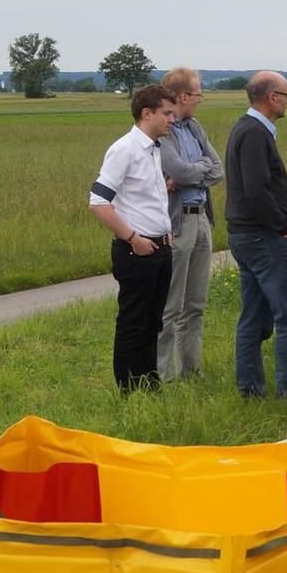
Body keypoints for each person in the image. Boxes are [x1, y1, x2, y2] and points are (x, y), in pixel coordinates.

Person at [88, 83, 178, 392]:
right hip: (135, 250)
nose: (172, 119)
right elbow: (98, 202)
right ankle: (129, 388)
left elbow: (143, 196)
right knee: (133, 321)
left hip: (159, 246)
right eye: (167, 113)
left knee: (154, 321)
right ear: (147, 113)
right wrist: (132, 237)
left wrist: (163, 228)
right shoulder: (125, 149)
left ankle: (149, 384)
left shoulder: (154, 149)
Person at [227, 71, 287, 399]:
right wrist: (282, 227)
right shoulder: (256, 133)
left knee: (254, 317)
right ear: (272, 97)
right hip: (264, 238)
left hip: (245, 237)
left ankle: (251, 390)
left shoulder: (245, 129)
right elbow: (257, 190)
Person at [154, 67, 223, 381]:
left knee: (196, 302)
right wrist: (198, 170)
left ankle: (191, 371)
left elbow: (218, 170)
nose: (200, 100)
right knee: (171, 305)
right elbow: (178, 171)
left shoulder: (195, 128)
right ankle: (164, 375)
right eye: (197, 94)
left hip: (202, 219)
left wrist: (193, 171)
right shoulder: (165, 132)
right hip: (178, 223)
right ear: (184, 96)